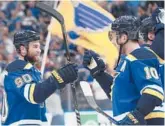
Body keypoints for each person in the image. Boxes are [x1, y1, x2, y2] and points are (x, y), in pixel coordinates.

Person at [83, 16, 164, 125]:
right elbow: (118, 95)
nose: (112, 41)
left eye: (112, 35)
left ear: (124, 38)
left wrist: (135, 116)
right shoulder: (128, 60)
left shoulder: (141, 55)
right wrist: (98, 73)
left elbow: (154, 92)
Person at [2, 30, 78, 125]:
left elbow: (41, 94)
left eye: (39, 46)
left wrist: (63, 79)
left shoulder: (32, 71)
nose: (39, 50)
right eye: (35, 46)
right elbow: (35, 95)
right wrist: (58, 78)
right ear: (23, 49)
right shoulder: (15, 70)